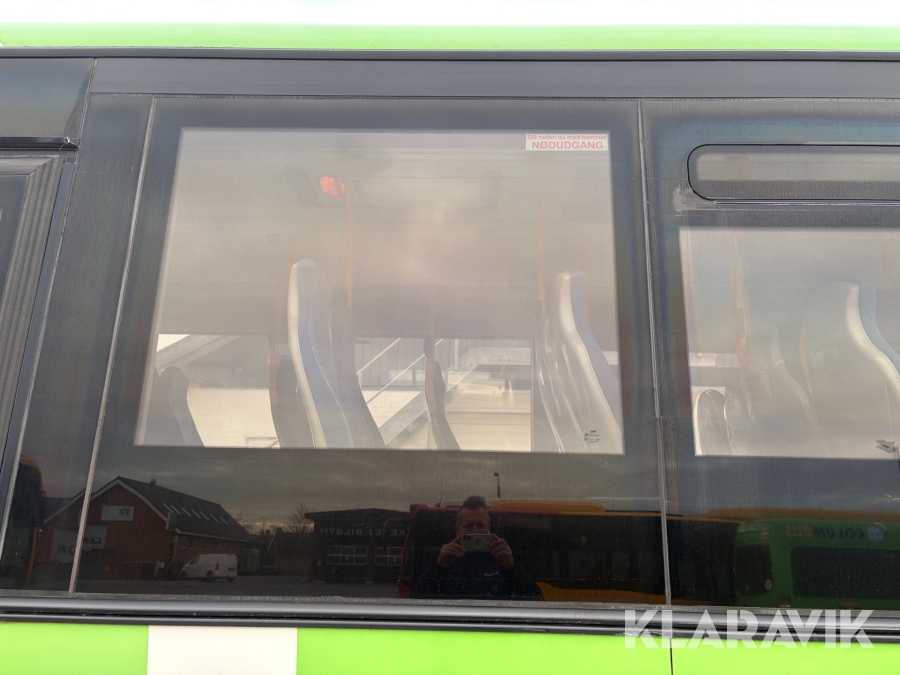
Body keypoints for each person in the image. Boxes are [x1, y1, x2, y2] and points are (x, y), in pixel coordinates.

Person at [410, 496, 543, 600]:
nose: (475, 531)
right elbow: (415, 600)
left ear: (489, 529)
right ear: (457, 531)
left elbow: (536, 599)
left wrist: (511, 569)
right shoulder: (446, 559)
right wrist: (439, 568)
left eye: (480, 525)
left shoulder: (502, 558)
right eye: (468, 526)